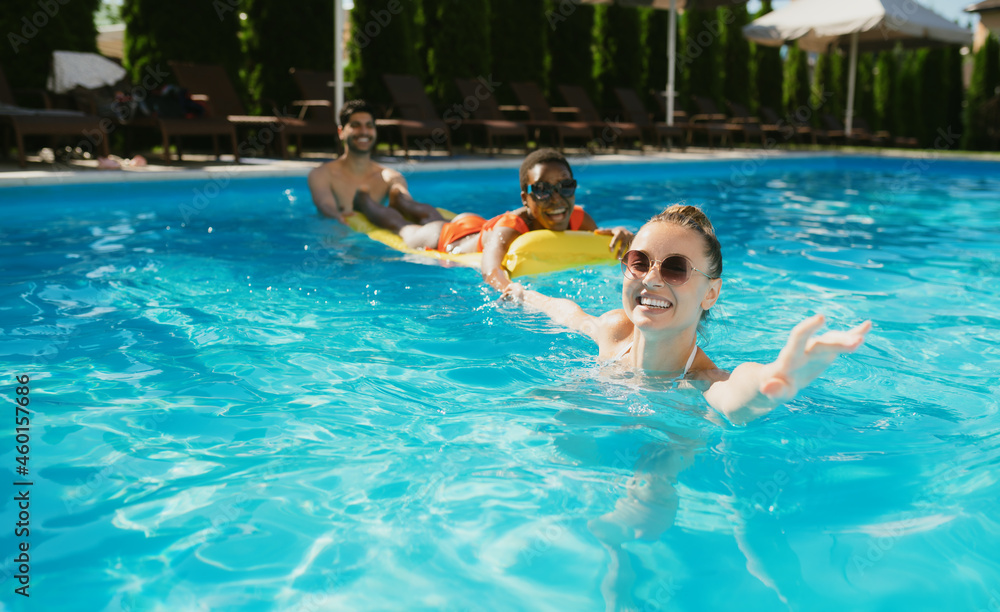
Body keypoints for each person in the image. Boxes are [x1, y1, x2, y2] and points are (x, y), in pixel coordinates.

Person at [503, 204, 872, 425]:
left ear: (710, 293)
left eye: (675, 268)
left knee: (654, 490)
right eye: (639, 262)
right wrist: (522, 294)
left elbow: (736, 393)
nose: (651, 278)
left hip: (663, 449)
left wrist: (772, 382)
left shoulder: (703, 381)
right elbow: (571, 314)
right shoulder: (617, 332)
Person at [352, 148, 634, 292]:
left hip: (480, 224)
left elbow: (596, 244)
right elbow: (490, 267)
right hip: (452, 238)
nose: (556, 199)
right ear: (525, 198)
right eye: (542, 190)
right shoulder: (512, 226)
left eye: (565, 187)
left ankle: (401, 198)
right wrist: (509, 290)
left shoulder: (580, 218)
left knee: (424, 212)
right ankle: (364, 200)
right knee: (404, 228)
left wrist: (623, 234)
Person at [307, 99, 443, 226]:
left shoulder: (389, 177)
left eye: (369, 126)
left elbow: (405, 200)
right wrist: (337, 216)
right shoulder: (321, 174)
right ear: (341, 132)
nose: (364, 131)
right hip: (336, 244)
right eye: (356, 125)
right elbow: (325, 205)